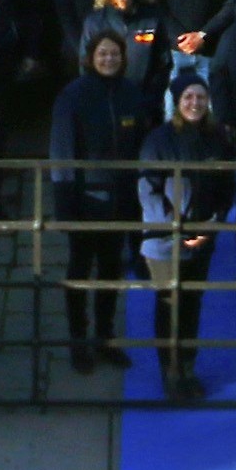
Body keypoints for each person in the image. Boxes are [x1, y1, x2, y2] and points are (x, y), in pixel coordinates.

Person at [46, 28, 150, 372]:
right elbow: (61, 154)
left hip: (122, 202)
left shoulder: (132, 94)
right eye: (103, 54)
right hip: (84, 202)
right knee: (79, 270)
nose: (109, 59)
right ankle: (78, 341)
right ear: (90, 58)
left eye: (115, 54)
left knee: (110, 272)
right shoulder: (72, 96)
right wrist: (65, 205)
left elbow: (143, 147)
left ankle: (104, 338)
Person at [138, 75, 236, 398]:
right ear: (176, 102)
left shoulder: (217, 139)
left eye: (200, 96)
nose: (194, 103)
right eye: (188, 97)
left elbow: (227, 188)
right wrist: (177, 228)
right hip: (164, 240)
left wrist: (212, 225)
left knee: (192, 304)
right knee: (170, 304)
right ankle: (170, 371)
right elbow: (148, 189)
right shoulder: (158, 140)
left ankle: (187, 367)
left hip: (203, 238)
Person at [74, 0, 169, 112]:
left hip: (145, 104)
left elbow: (163, 65)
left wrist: (151, 101)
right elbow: (85, 67)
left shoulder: (152, 19)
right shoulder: (94, 22)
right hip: (106, 105)